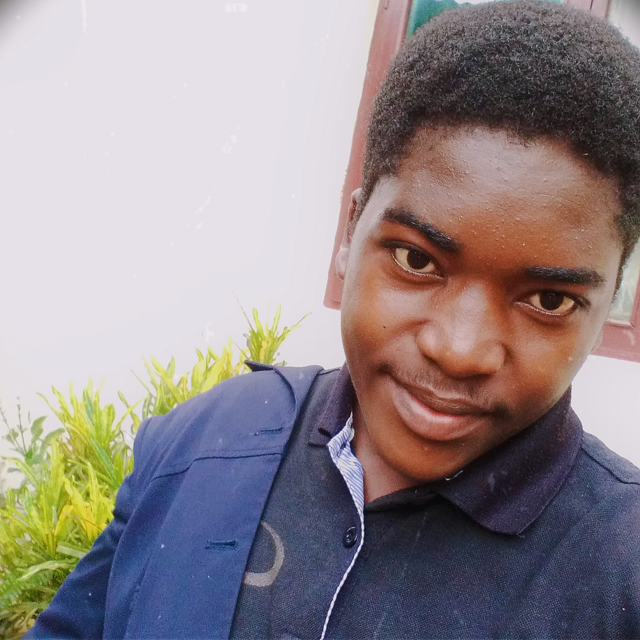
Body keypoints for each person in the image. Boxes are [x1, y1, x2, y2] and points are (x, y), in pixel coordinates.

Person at [26, 1, 640, 638]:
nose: (459, 349)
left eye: (548, 301)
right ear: (351, 233)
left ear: (606, 308)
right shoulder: (206, 439)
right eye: (416, 259)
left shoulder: (621, 572)